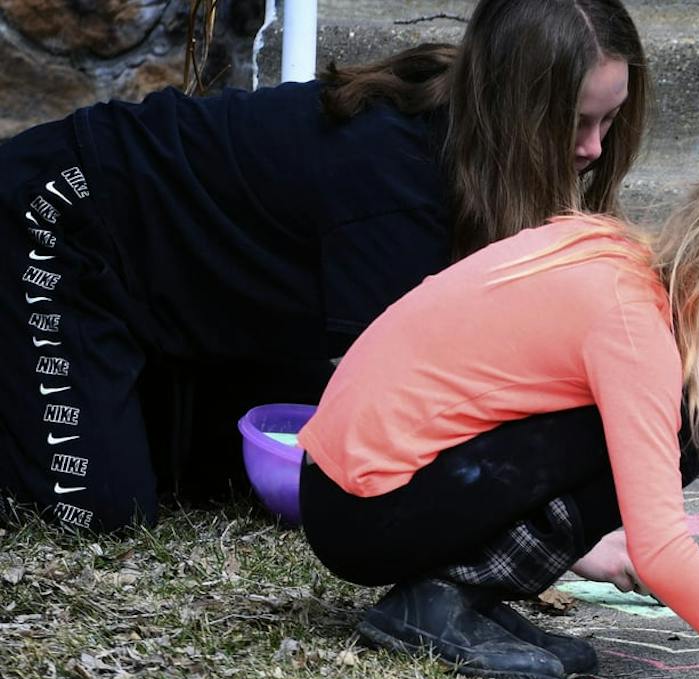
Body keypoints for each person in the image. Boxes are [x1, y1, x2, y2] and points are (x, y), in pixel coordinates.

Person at [0, 0, 647, 534]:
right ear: (510, 109)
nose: (592, 147)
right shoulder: (395, 185)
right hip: (58, 221)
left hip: (186, 287)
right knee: (94, 511)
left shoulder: (467, 131)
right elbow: (429, 403)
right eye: (571, 123)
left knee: (234, 477)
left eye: (609, 119)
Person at [297, 162, 699, 679]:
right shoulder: (633, 328)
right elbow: (662, 549)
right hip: (366, 511)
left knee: (684, 429)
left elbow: (497, 403)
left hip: (346, 490)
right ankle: (442, 598)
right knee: (682, 435)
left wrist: (584, 546)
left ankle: (466, 594)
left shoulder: (610, 254)